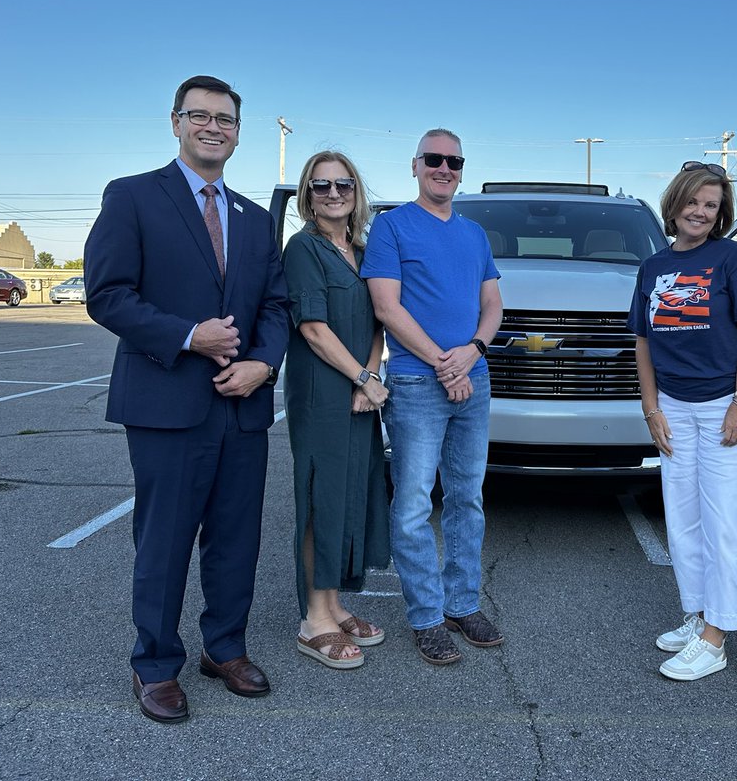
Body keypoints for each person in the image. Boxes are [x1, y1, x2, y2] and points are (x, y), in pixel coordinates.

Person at [85, 75, 289, 723]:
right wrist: (187, 336)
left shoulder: (258, 222)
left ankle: (224, 649)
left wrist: (262, 362)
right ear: (175, 122)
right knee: (165, 541)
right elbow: (107, 294)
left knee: (236, 540)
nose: (213, 127)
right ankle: (154, 665)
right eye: (199, 115)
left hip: (243, 406)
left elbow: (278, 306)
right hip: (166, 403)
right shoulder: (133, 198)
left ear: (237, 131)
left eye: (225, 119)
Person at [361, 129, 504, 666]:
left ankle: (463, 603)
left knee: (468, 497)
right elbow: (386, 307)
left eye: (454, 161)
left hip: (473, 375)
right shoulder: (391, 226)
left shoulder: (473, 233)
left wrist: (472, 350)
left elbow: (492, 303)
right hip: (419, 383)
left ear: (461, 169)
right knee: (416, 502)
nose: (445, 168)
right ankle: (426, 615)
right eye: (434, 160)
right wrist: (446, 363)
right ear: (416, 165)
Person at [629, 162, 737, 682]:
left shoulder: (731, 259)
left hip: (722, 406)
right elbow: (643, 342)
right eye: (693, 202)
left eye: (711, 205)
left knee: (727, 522)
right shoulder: (653, 267)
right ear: (675, 204)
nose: (700, 212)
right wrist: (652, 409)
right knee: (683, 521)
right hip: (674, 408)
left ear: (720, 212)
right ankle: (698, 616)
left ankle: (718, 637)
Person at [282, 151, 390, 670]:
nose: (332, 194)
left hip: (358, 389)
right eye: (320, 186)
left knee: (349, 491)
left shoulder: (364, 251)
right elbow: (312, 329)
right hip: (321, 390)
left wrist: (369, 379)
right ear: (308, 195)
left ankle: (335, 603)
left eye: (342, 184)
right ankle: (313, 620)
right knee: (320, 494)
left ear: (355, 192)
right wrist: (362, 378)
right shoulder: (303, 248)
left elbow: (377, 323)